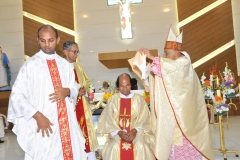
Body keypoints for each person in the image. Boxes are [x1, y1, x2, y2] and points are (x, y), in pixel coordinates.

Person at [129, 27, 214, 160]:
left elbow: (166, 68)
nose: (164, 57)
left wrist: (152, 57)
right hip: (172, 117)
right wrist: (144, 61)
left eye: (167, 53)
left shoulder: (183, 63)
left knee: (184, 150)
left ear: (177, 52)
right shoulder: (170, 65)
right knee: (172, 149)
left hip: (185, 119)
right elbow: (158, 74)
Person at [7, 25, 87, 160]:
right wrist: (37, 116)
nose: (47, 44)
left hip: (66, 123)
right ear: (37, 40)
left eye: (50, 40)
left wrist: (67, 91)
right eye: (43, 40)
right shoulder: (30, 65)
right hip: (44, 123)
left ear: (57, 40)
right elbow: (17, 96)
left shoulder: (64, 64)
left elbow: (73, 85)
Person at [97, 73, 155, 160]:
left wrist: (134, 131)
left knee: (141, 146)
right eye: (122, 86)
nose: (125, 89)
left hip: (137, 132)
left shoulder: (139, 99)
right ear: (118, 87)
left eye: (127, 85)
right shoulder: (113, 100)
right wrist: (119, 132)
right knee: (114, 147)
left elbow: (145, 118)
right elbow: (107, 119)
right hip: (117, 133)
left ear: (131, 85)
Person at [63, 41, 99, 160]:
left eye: (77, 52)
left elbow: (87, 82)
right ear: (65, 52)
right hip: (67, 107)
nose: (76, 54)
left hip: (81, 107)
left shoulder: (78, 67)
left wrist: (84, 89)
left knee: (86, 133)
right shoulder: (60, 67)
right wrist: (74, 91)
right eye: (74, 52)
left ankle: (90, 156)